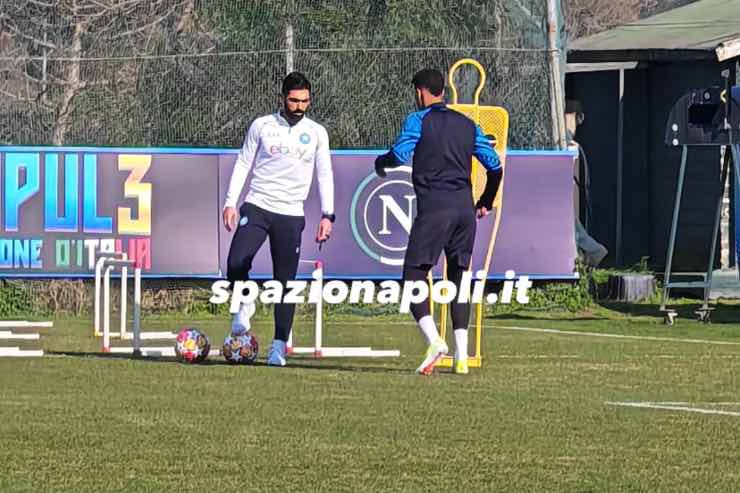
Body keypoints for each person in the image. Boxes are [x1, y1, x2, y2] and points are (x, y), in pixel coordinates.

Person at [375, 68, 502, 375]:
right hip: (463, 210)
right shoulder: (468, 124)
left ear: (420, 92)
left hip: (434, 208)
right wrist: (484, 201)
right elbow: (495, 166)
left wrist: (381, 163)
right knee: (459, 278)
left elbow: (401, 155)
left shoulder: (418, 120)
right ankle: (460, 356)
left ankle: (434, 341)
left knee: (413, 273)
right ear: (443, 91)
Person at [223, 72, 335, 367]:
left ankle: (277, 347)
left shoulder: (317, 132)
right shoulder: (262, 125)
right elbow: (243, 161)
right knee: (235, 262)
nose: (300, 106)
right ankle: (245, 301)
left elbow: (324, 173)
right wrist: (230, 202)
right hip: (257, 205)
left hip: (291, 213)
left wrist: (328, 215)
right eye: (294, 100)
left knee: (285, 283)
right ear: (283, 97)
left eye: (305, 101)